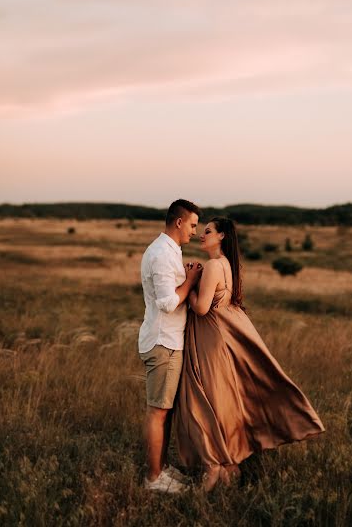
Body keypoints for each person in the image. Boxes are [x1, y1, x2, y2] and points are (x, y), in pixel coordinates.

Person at [174, 217, 325, 491]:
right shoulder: (228, 266)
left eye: (207, 231)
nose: (201, 235)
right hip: (218, 339)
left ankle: (215, 464)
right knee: (221, 401)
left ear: (221, 236)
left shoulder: (211, 267)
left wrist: (189, 282)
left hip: (210, 342)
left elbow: (201, 309)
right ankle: (229, 468)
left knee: (205, 401)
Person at [139, 199, 202, 493]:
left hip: (170, 340)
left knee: (166, 410)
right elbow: (166, 303)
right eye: (192, 225)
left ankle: (162, 468)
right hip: (163, 341)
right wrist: (189, 281)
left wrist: (185, 276)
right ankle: (153, 478)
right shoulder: (162, 254)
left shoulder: (171, 251)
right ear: (178, 222)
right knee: (158, 411)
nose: (194, 231)